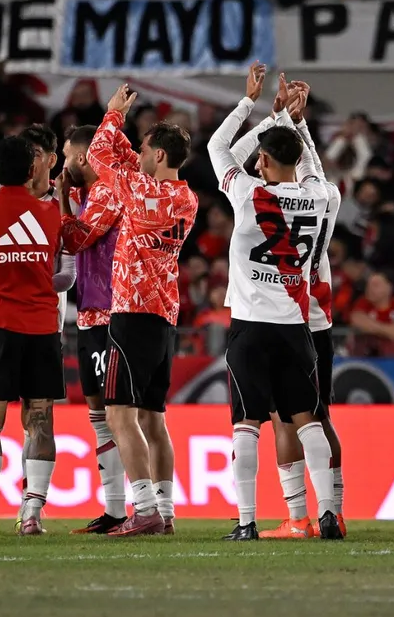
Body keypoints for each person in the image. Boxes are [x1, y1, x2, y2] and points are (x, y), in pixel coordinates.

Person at [208, 65, 341, 541]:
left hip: (250, 325)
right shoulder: (323, 197)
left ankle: (246, 521)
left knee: (247, 423)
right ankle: (328, 513)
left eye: (261, 159)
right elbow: (315, 171)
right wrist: (295, 126)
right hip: (295, 325)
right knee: (307, 419)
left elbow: (218, 149)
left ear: (263, 161)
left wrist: (260, 110)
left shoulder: (248, 194)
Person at [87, 85, 198, 537]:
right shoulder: (185, 198)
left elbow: (98, 158)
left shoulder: (139, 191)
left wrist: (113, 115)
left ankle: (145, 509)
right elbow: (130, 164)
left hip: (131, 314)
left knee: (119, 415)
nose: (139, 156)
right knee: (154, 418)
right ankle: (166, 511)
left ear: (157, 157)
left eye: (145, 151)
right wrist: (132, 139)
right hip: (165, 315)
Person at [0, 136, 65, 537]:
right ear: (33, 170)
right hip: (43, 328)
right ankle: (32, 515)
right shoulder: (51, 214)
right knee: (39, 420)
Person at [57, 124, 128, 535]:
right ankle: (115, 509)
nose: (63, 164)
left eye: (67, 155)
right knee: (100, 416)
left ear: (82, 157)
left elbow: (77, 238)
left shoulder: (103, 192)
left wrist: (64, 199)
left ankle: (150, 506)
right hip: (88, 315)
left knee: (122, 416)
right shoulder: (86, 194)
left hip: (108, 314)